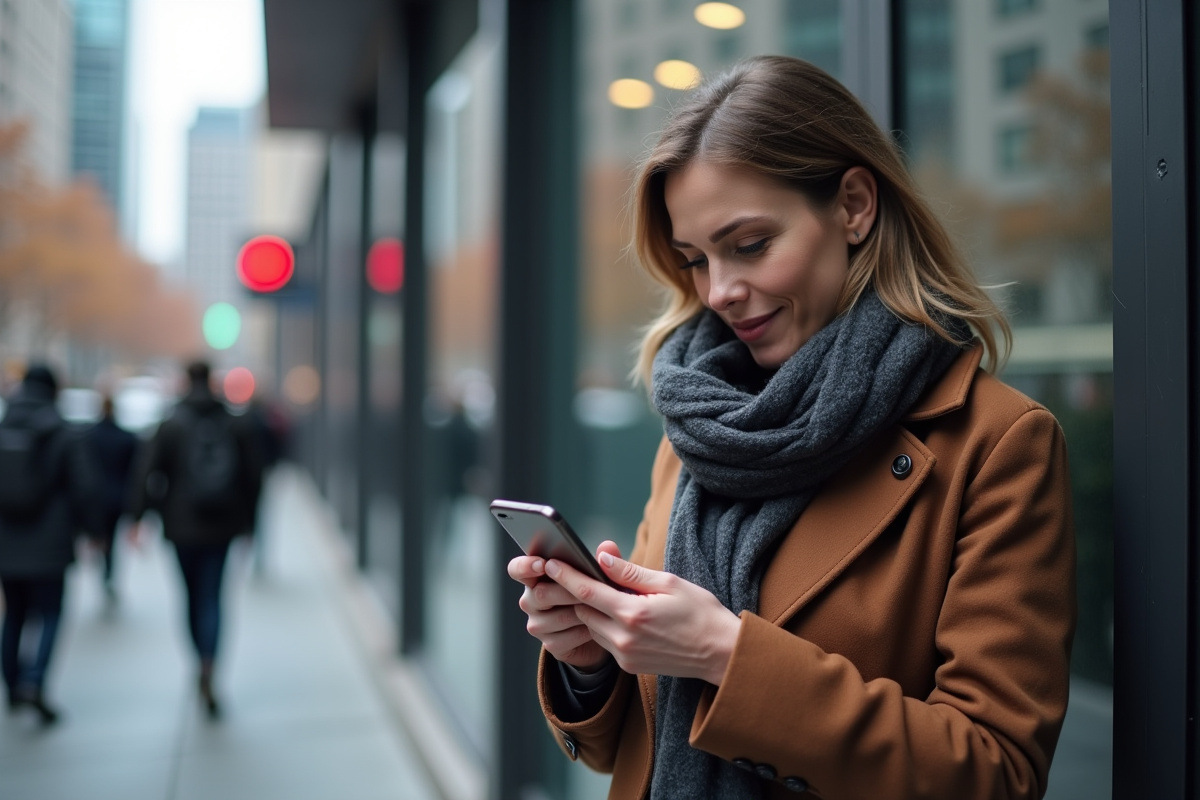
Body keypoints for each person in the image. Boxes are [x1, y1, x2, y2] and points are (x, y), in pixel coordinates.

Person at [508, 55, 1075, 800]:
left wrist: (725, 654)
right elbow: (633, 748)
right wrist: (591, 660)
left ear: (854, 205)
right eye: (695, 259)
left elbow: (994, 773)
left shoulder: (996, 444)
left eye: (748, 245)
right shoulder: (698, 424)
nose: (719, 291)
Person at [129, 361, 262, 718]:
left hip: (180, 525)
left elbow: (148, 471)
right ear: (213, 382)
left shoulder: (171, 423)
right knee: (213, 597)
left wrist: (138, 517)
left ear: (187, 381)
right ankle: (210, 663)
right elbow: (253, 476)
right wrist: (252, 524)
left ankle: (199, 660)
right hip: (223, 525)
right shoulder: (235, 421)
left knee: (190, 597)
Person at [0, 365, 102, 724]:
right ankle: (35, 680)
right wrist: (95, 531)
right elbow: (83, 486)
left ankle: (11, 684)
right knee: (51, 614)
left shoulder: (4, 424)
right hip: (50, 543)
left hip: (7, 543)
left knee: (13, 614)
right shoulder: (62, 431)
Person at [86, 395, 138, 601]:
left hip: (96, 497)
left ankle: (105, 572)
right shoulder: (126, 437)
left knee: (101, 536)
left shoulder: (90, 436)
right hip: (118, 496)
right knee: (112, 538)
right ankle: (108, 573)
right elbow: (135, 472)